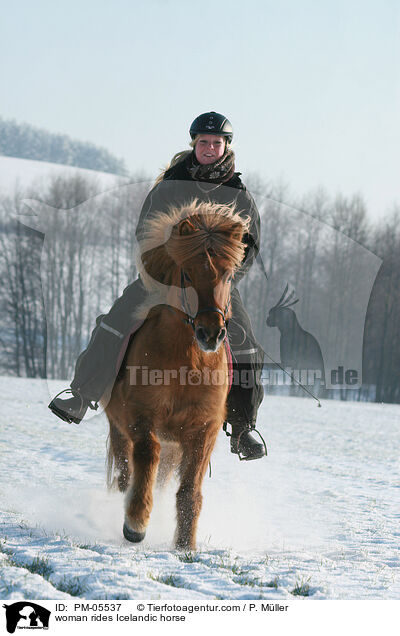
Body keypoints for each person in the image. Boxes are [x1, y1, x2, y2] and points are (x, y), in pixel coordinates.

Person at [49, 111, 266, 460]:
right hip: (163, 279)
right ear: (194, 144)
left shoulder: (239, 196)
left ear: (227, 146)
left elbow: (251, 246)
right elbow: (144, 231)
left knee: (246, 344)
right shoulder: (169, 185)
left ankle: (243, 428)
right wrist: (165, 271)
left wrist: (225, 279)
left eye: (217, 142)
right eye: (204, 142)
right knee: (115, 321)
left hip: (215, 287)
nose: (210, 148)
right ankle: (81, 393)